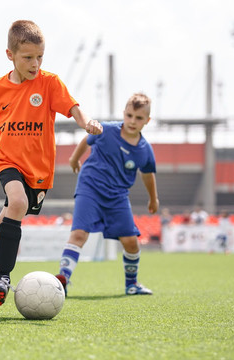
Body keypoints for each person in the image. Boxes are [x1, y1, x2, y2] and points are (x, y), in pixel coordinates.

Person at [0, 20, 103, 315]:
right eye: (28, 57)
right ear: (9, 55)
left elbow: (74, 107)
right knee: (17, 201)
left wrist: (86, 122)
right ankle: (3, 277)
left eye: (40, 57)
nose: (35, 63)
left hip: (39, 173)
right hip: (8, 162)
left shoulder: (50, 83)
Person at [56, 93, 159, 296]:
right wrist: (75, 158)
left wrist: (153, 198)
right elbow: (87, 139)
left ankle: (132, 284)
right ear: (124, 114)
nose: (132, 121)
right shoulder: (107, 130)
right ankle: (62, 281)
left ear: (147, 121)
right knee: (79, 234)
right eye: (129, 115)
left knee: (131, 241)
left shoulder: (145, 150)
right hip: (90, 188)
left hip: (117, 196)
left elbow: (148, 175)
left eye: (138, 118)